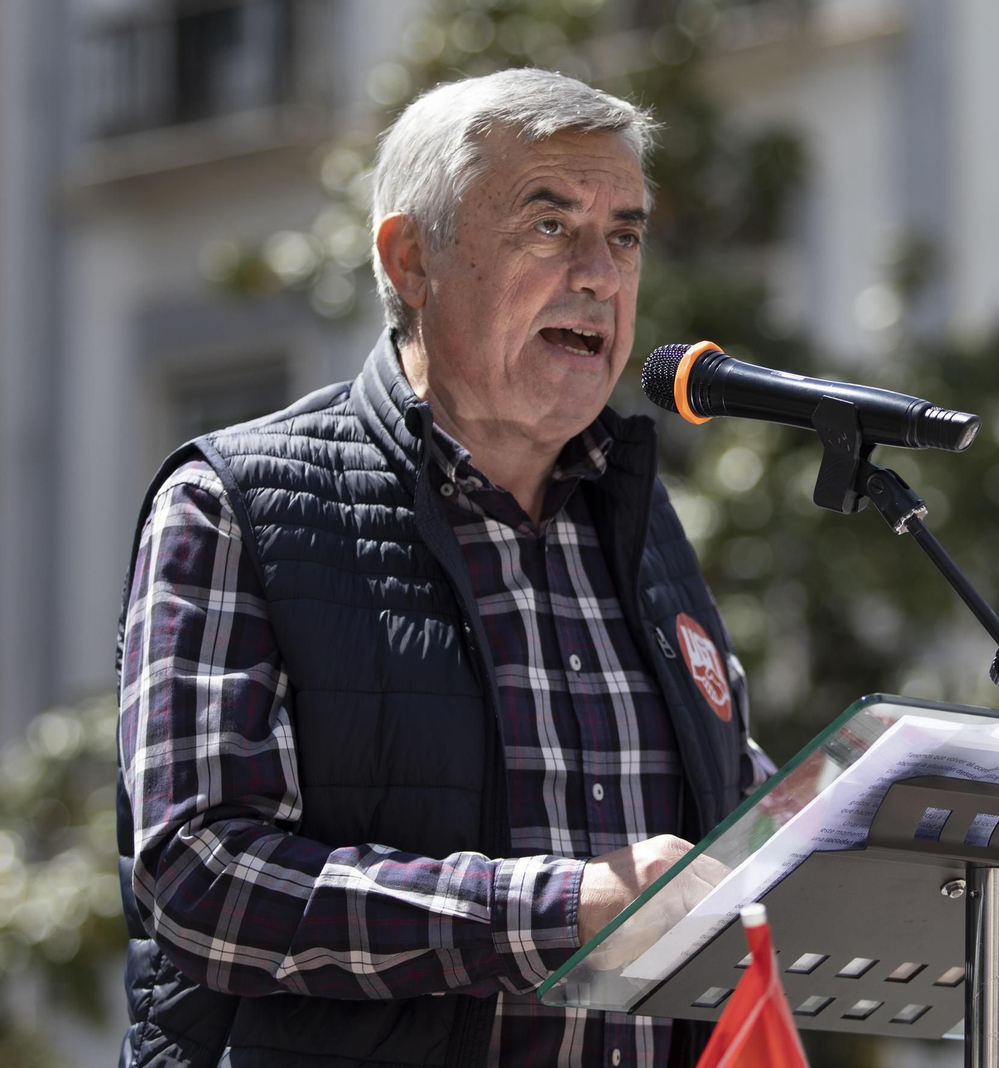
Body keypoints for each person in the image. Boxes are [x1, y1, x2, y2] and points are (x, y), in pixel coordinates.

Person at [114, 68, 770, 1068]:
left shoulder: (641, 524)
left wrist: (838, 817)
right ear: (411, 256)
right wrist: (553, 912)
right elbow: (202, 876)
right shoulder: (234, 504)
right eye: (548, 227)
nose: (600, 272)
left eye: (625, 235)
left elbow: (704, 839)